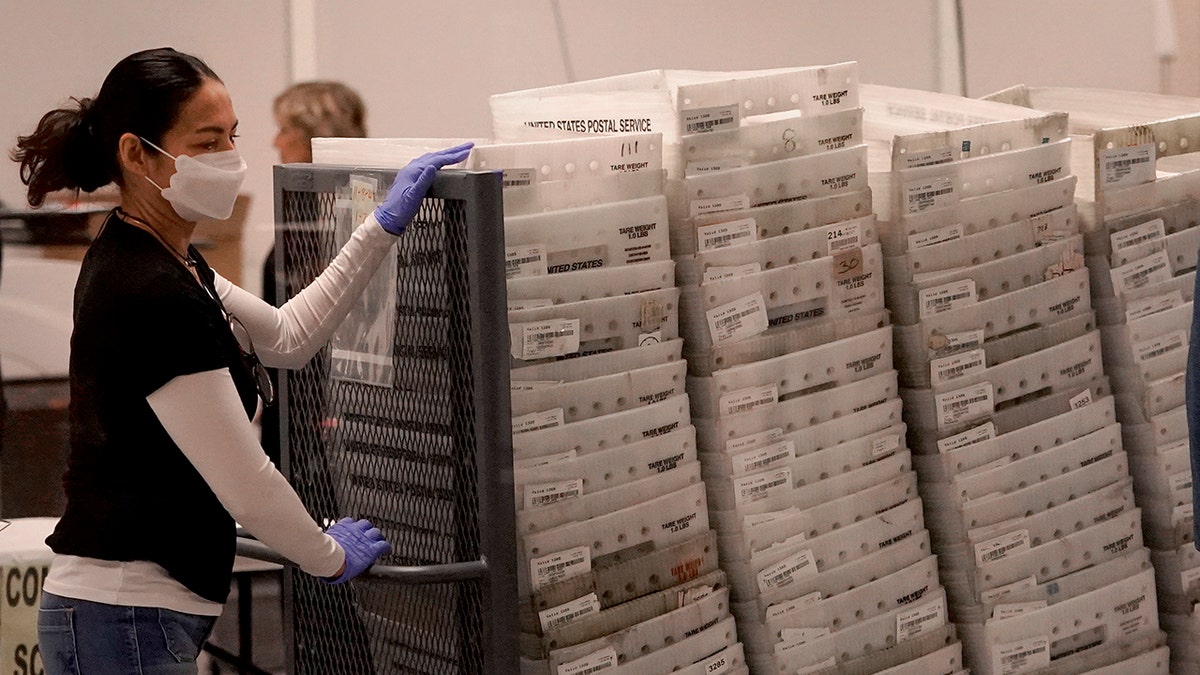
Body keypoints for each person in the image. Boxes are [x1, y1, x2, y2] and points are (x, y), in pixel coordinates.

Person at [10, 47, 472, 674]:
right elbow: (246, 482)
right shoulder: (145, 286)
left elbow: (285, 335)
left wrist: (380, 227)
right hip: (122, 617)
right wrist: (325, 554)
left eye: (232, 136)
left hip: (135, 618)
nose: (230, 158)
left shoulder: (169, 257)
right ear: (136, 154)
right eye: (206, 143)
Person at [262, 81, 368, 467]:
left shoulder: (347, 217)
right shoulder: (303, 212)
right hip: (292, 403)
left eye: (285, 129)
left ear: (314, 137)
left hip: (325, 414)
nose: (276, 141)